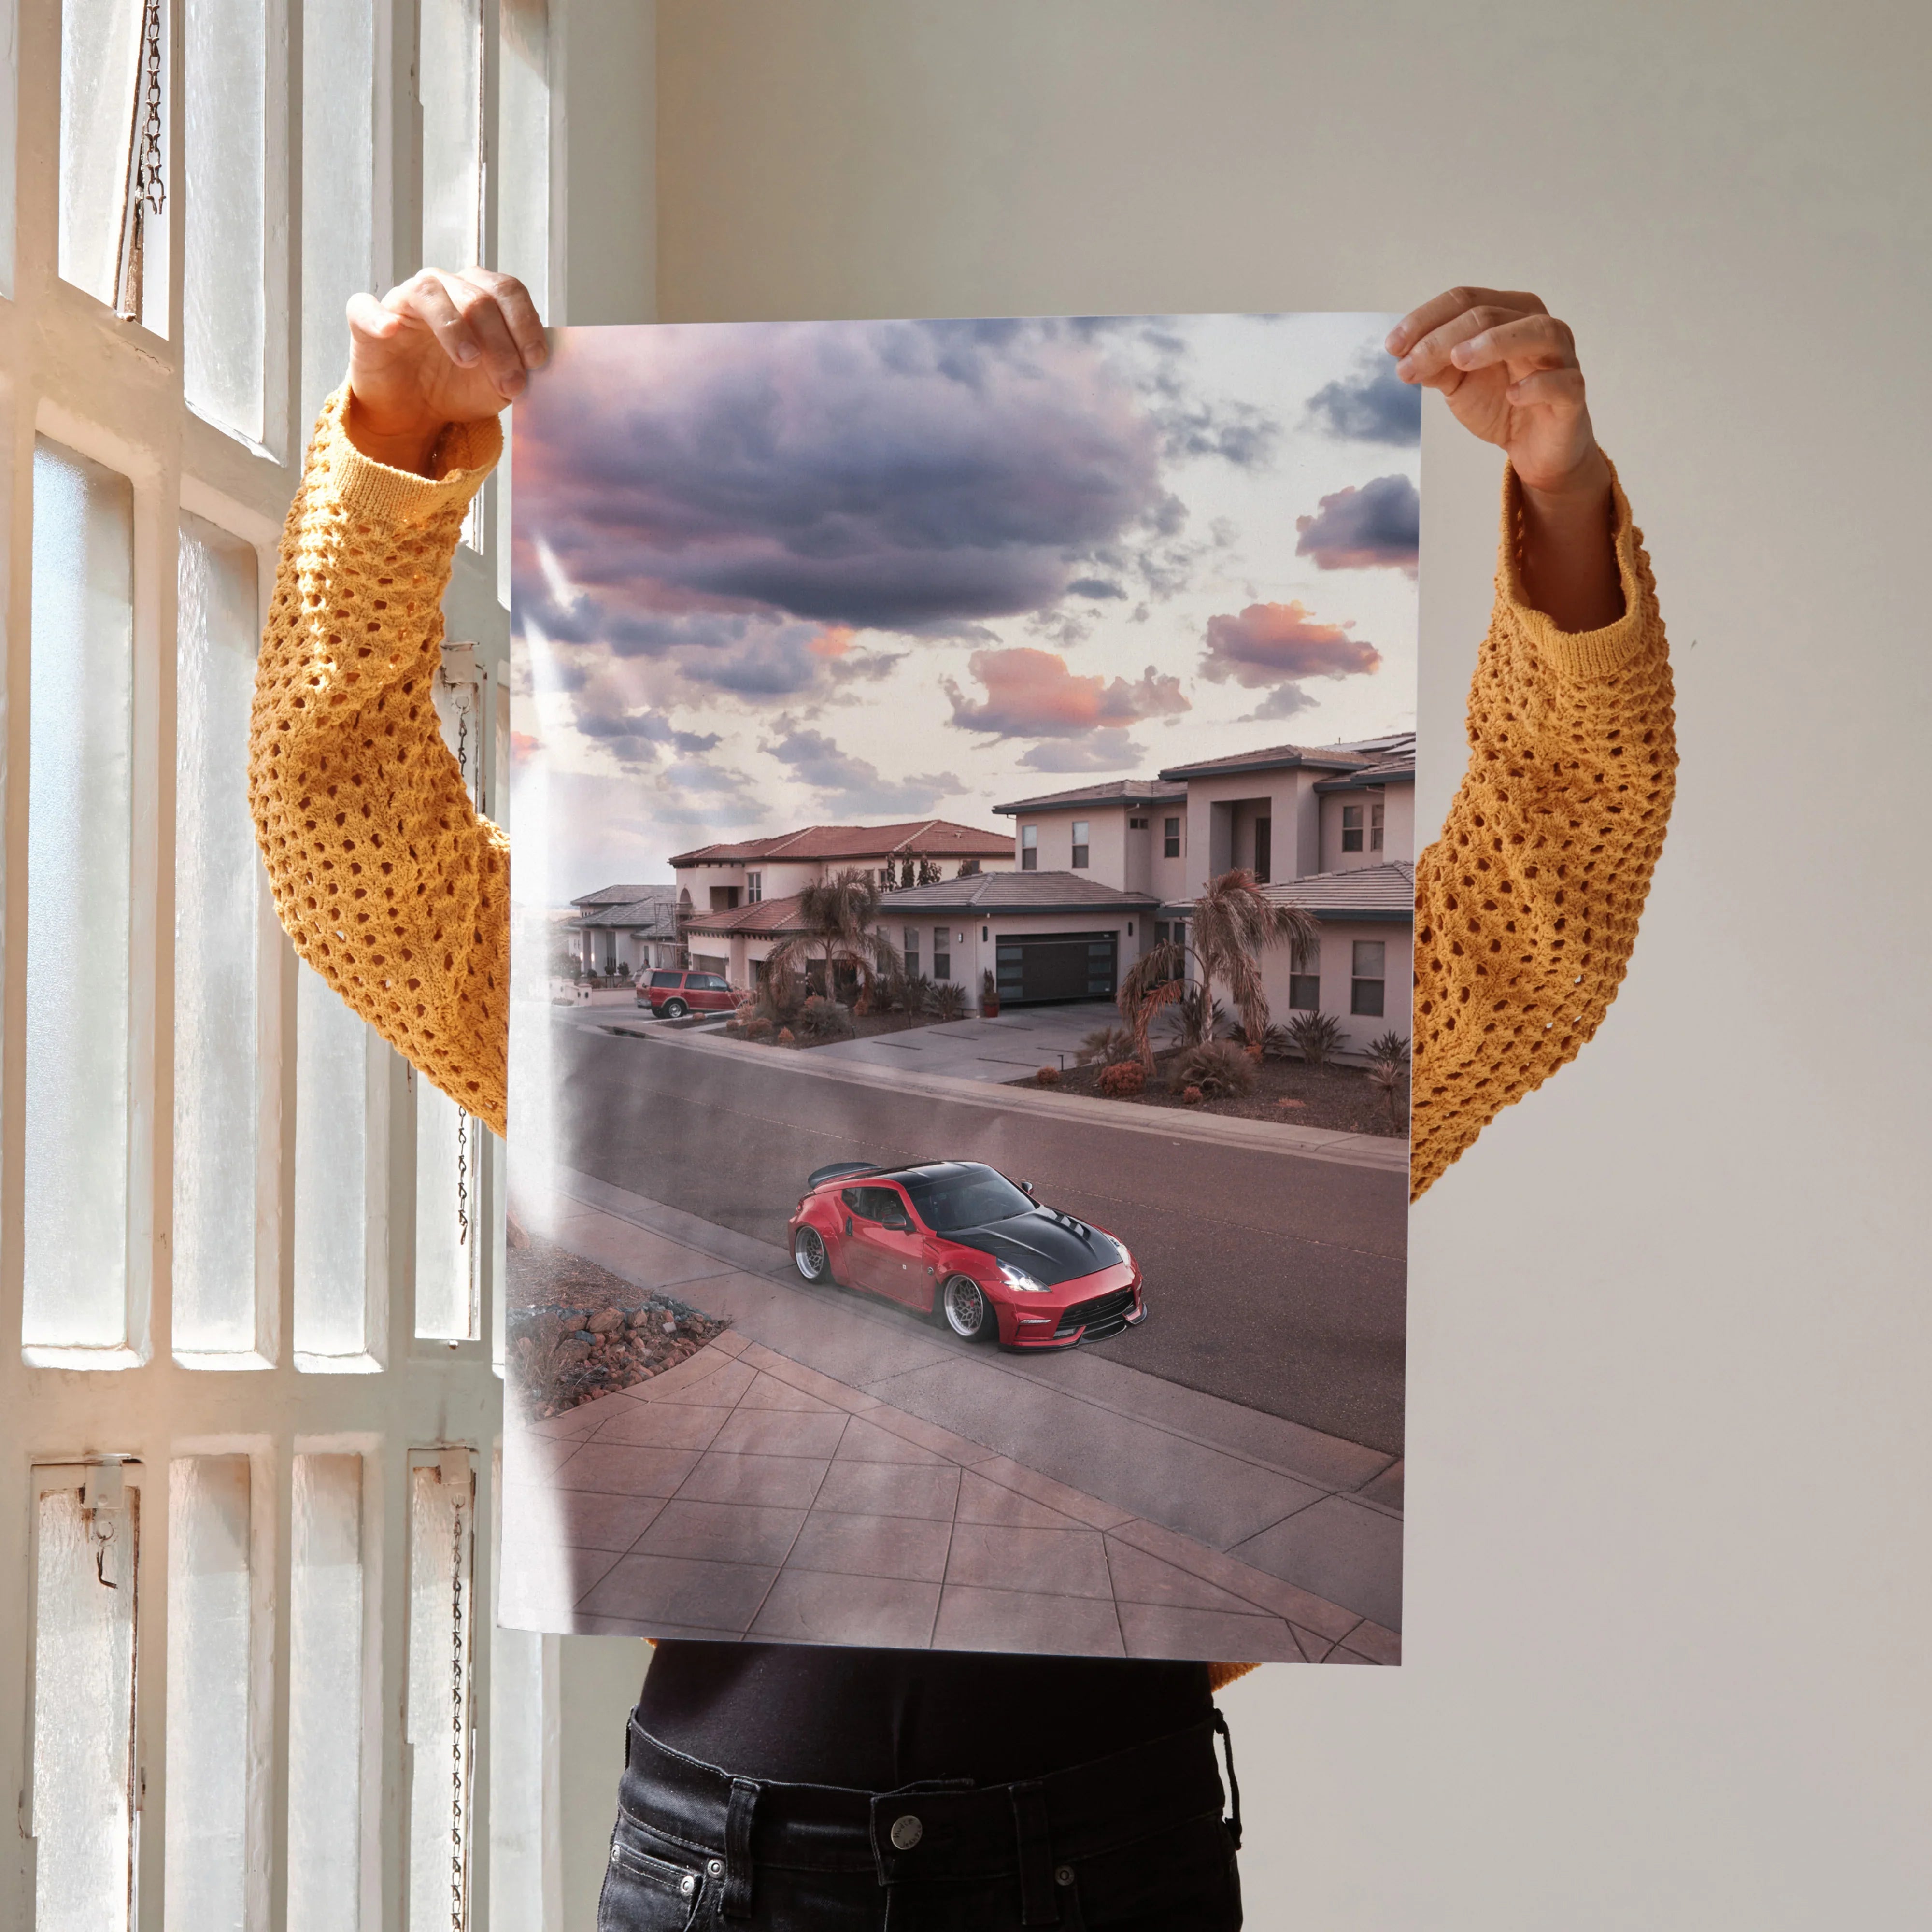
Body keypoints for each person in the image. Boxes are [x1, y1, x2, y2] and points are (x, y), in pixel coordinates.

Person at [250, 271, 1674, 1930]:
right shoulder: (588, 1064)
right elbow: (348, 846)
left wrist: (1561, 498)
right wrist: (392, 447)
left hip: (1107, 1852)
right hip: (727, 1865)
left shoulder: (1260, 1126)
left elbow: (1547, 904)